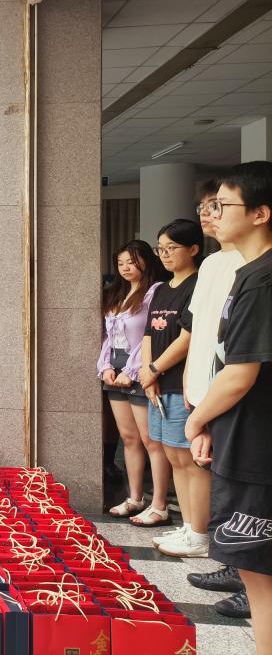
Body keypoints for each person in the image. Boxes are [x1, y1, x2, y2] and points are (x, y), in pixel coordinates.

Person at [186, 160, 272, 654]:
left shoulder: (262, 280)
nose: (212, 214)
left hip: (258, 446)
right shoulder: (247, 272)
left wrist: (197, 419)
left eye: (222, 205)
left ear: (260, 213)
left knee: (260, 576)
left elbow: (241, 373)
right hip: (245, 435)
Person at [179, 181, 249, 616]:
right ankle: (233, 564)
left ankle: (252, 575)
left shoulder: (253, 265)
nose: (208, 214)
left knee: (248, 493)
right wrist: (192, 388)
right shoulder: (211, 264)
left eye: (218, 206)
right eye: (204, 206)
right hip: (205, 390)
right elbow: (199, 331)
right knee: (225, 485)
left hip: (236, 395)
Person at [137, 220, 202, 534]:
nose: (164, 254)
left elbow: (187, 338)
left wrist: (153, 370)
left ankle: (196, 527)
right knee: (171, 455)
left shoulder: (198, 285)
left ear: (193, 249)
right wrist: (148, 374)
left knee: (186, 457)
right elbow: (149, 334)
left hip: (180, 384)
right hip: (158, 385)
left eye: (171, 248)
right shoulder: (161, 289)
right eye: (160, 249)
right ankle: (187, 526)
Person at [98, 239, 169, 518]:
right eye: (120, 263)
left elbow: (149, 338)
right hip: (114, 370)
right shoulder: (116, 294)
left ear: (146, 261)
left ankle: (159, 504)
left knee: (151, 440)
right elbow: (108, 337)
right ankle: (135, 498)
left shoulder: (155, 292)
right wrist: (105, 366)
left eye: (132, 261)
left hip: (141, 368)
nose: (126, 267)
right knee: (129, 438)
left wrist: (130, 371)